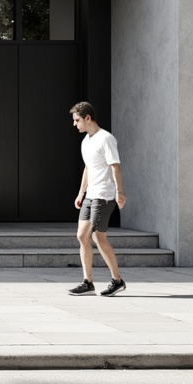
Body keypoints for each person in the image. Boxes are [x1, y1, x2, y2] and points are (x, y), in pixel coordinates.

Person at [68, 101, 127, 297]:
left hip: (104, 195)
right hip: (90, 194)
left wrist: (120, 192)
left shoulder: (106, 138)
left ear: (88, 118)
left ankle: (117, 280)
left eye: (77, 120)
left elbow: (115, 166)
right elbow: (88, 168)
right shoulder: (86, 141)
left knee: (98, 237)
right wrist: (80, 192)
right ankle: (87, 282)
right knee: (81, 236)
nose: (75, 124)